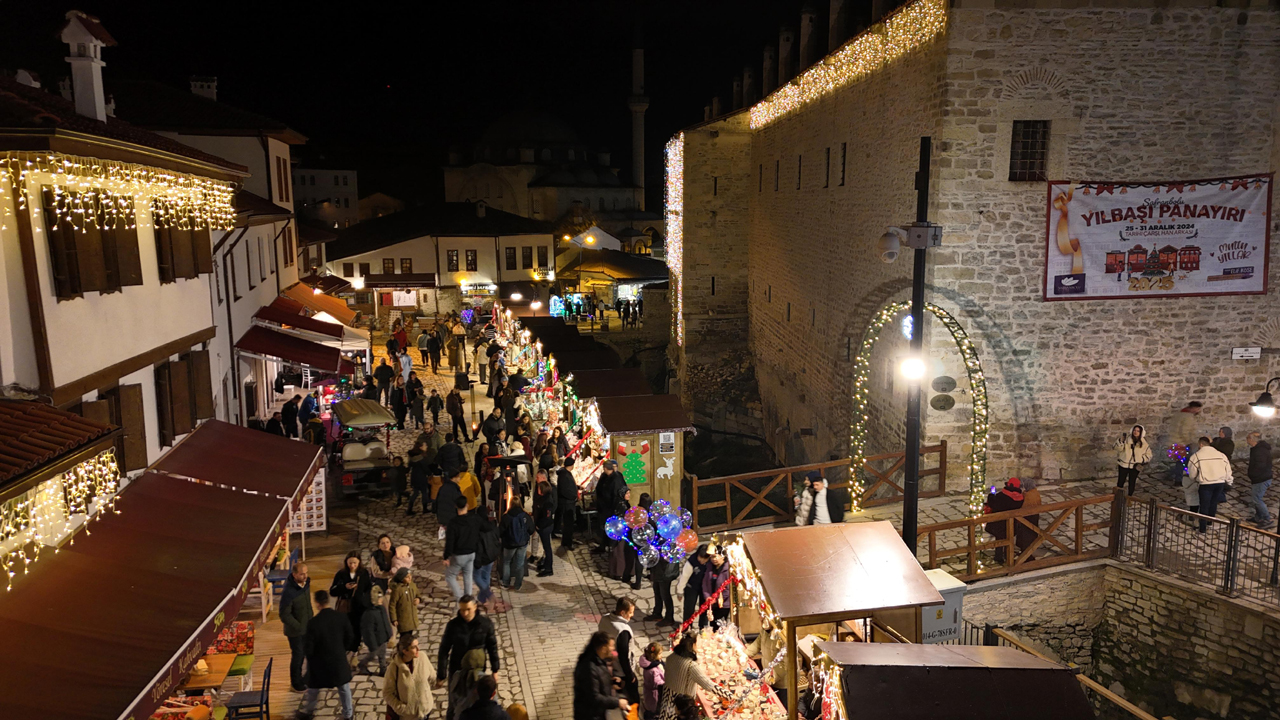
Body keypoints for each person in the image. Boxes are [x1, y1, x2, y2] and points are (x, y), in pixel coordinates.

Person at [436, 596, 501, 720]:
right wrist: (441, 675)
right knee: (453, 703)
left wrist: (495, 669)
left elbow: (492, 647)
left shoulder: (485, 624)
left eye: (468, 609)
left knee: (475, 701)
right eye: (462, 610)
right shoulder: (453, 625)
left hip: (477, 672)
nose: (465, 613)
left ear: (475, 607)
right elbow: (444, 650)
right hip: (457, 671)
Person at [297, 590, 355, 720]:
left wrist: (310, 660)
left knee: (314, 689)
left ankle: (308, 711)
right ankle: (348, 714)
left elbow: (309, 648)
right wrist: (342, 649)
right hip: (338, 660)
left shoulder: (313, 623)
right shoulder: (341, 617)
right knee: (344, 687)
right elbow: (350, 637)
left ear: (317, 603)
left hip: (320, 663)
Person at [657, 633, 730, 720]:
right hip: (681, 705)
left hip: (667, 699)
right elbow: (708, 684)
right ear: (693, 645)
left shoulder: (671, 657)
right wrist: (728, 694)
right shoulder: (691, 666)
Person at [574, 631, 629, 720]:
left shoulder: (599, 660)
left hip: (598, 713)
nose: (613, 648)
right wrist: (617, 702)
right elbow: (594, 697)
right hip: (589, 716)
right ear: (603, 648)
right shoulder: (588, 668)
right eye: (611, 646)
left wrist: (610, 682)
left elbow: (598, 681)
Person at [384, 634, 437, 720]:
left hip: (425, 711)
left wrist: (427, 698)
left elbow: (432, 676)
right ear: (405, 651)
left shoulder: (422, 657)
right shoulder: (394, 668)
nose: (418, 649)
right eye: (414, 647)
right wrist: (401, 708)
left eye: (417, 645)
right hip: (408, 716)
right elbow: (387, 693)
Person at [279, 562, 313, 692]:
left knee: (308, 653)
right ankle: (296, 683)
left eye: (306, 573)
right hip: (295, 632)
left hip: (307, 627)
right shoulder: (289, 592)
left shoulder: (306, 583)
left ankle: (307, 678)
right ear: (294, 575)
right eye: (302, 574)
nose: (305, 576)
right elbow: (284, 615)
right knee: (298, 656)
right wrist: (298, 626)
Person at [1188, 436, 1232, 533]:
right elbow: (1228, 470)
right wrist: (1229, 481)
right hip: (1219, 483)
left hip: (1206, 484)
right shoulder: (1221, 455)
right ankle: (1210, 522)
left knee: (1204, 505)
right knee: (1213, 503)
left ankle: (1202, 528)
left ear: (1200, 444)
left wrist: (1195, 479)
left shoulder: (1196, 456)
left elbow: (1192, 473)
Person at [330, 551, 372, 651]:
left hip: (359, 607)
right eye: (350, 563)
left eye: (355, 563)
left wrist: (365, 601)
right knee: (346, 628)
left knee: (357, 628)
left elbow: (368, 589)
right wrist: (344, 587)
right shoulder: (341, 574)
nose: (352, 565)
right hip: (346, 607)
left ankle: (355, 649)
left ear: (359, 562)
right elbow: (332, 591)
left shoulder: (363, 573)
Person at [598, 597, 639, 701]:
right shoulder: (623, 631)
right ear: (622, 613)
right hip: (621, 672)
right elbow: (623, 657)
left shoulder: (604, 619)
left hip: (608, 666)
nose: (632, 615)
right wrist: (630, 676)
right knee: (632, 698)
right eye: (630, 612)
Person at [445, 496, 481, 599]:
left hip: (459, 555)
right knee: (468, 575)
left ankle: (460, 598)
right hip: (471, 553)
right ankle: (468, 599)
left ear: (456, 507)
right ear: (467, 505)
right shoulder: (473, 519)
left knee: (450, 576)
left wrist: (446, 556)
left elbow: (450, 541)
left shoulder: (453, 523)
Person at [983, 478, 1025, 563]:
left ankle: (998, 557)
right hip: (1011, 523)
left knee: (999, 540)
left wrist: (992, 494)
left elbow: (993, 504)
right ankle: (1007, 555)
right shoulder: (1020, 498)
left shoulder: (1002, 496)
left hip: (999, 523)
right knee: (1008, 538)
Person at [358, 584, 393, 676]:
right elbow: (368, 631)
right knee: (373, 654)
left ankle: (383, 669)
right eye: (379, 598)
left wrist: (389, 633)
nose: (382, 600)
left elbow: (385, 621)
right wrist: (372, 644)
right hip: (375, 640)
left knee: (382, 654)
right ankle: (362, 664)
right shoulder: (369, 614)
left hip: (383, 637)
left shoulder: (381, 609)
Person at [499, 495, 532, 590]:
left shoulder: (506, 516)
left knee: (506, 562)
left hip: (509, 544)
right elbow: (531, 529)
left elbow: (500, 531)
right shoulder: (525, 516)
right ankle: (518, 585)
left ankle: (506, 583)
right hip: (522, 543)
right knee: (520, 564)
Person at [1166, 401, 1203, 481]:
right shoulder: (1188, 417)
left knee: (1181, 461)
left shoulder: (1179, 414)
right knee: (1185, 461)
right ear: (1194, 408)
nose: (1199, 411)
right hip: (1182, 443)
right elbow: (1184, 432)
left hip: (1174, 441)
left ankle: (1173, 475)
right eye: (1198, 409)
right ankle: (1177, 479)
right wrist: (1190, 442)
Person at [675, 547, 710, 628]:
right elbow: (684, 576)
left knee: (704, 609)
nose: (702, 561)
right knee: (689, 609)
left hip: (705, 588)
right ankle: (687, 628)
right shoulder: (692, 561)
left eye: (705, 559)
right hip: (691, 587)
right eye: (700, 558)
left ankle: (703, 628)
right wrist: (680, 591)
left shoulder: (710, 561)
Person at [473, 508, 501, 608]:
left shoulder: (478, 530)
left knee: (476, 577)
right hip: (491, 556)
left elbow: (479, 548)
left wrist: (477, 561)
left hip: (482, 557)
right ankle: (482, 599)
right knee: (486, 576)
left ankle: (489, 595)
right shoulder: (493, 526)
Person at [1114, 425, 1152, 496]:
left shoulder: (1144, 444)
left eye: (1138, 431)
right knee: (1120, 481)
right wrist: (1121, 442)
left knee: (1132, 482)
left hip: (1135, 466)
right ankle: (1117, 497)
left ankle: (1130, 497)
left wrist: (1140, 460)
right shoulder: (1126, 440)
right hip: (1124, 464)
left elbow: (1149, 455)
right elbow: (1117, 448)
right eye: (1134, 430)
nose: (1135, 432)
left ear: (1141, 433)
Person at [1246, 432, 1274, 528]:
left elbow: (1260, 466)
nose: (1246, 440)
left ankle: (1267, 519)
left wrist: (1253, 475)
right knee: (1256, 499)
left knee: (1257, 499)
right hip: (1259, 478)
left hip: (1261, 479)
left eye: (1248, 438)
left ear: (1252, 439)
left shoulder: (1259, 451)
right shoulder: (1258, 449)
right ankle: (1258, 517)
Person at [594, 460, 624, 550]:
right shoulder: (604, 476)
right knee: (604, 526)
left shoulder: (616, 478)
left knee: (612, 527)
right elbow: (599, 489)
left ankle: (612, 546)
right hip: (604, 507)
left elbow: (616, 494)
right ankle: (603, 544)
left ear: (605, 468)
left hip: (612, 507)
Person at [533, 476, 558, 576]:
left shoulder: (548, 501)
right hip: (543, 526)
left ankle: (548, 569)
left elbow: (546, 517)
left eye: (539, 488)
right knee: (545, 547)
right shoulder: (543, 498)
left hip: (545, 527)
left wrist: (539, 526)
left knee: (547, 548)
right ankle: (545, 564)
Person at [701, 550, 732, 629]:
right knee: (712, 625)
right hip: (711, 603)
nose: (713, 559)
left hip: (723, 604)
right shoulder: (709, 567)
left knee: (719, 626)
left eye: (715, 556)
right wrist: (707, 596)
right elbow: (705, 583)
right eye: (711, 557)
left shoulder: (728, 570)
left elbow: (728, 589)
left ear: (723, 556)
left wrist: (716, 598)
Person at [1013, 478, 1042, 560]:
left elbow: (1024, 507)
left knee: (1026, 537)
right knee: (1028, 536)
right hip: (1034, 517)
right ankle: (1025, 553)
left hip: (1028, 518)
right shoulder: (1035, 492)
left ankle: (1027, 556)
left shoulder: (1029, 495)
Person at [388, 567, 421, 638]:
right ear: (401, 578)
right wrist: (394, 619)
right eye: (407, 577)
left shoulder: (412, 585)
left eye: (410, 576)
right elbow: (392, 605)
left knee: (410, 636)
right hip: (403, 620)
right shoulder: (398, 590)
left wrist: (418, 599)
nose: (410, 578)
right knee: (404, 638)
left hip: (412, 618)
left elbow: (418, 594)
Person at [557, 457, 579, 549]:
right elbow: (564, 490)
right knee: (568, 524)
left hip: (568, 502)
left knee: (568, 523)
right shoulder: (564, 475)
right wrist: (573, 496)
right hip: (567, 503)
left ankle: (566, 541)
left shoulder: (565, 474)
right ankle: (568, 543)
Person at [641, 643, 665, 719]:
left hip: (650, 692)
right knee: (653, 711)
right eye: (660, 654)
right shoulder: (653, 670)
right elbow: (658, 682)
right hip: (654, 695)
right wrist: (666, 683)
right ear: (653, 655)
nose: (661, 656)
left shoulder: (651, 664)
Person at [406, 442, 431, 516]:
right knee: (424, 492)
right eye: (424, 445)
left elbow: (409, 467)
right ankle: (425, 508)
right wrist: (430, 474)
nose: (426, 446)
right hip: (421, 477)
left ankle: (409, 509)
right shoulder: (421, 458)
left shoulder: (412, 457)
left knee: (415, 493)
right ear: (420, 448)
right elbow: (425, 469)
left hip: (414, 477)